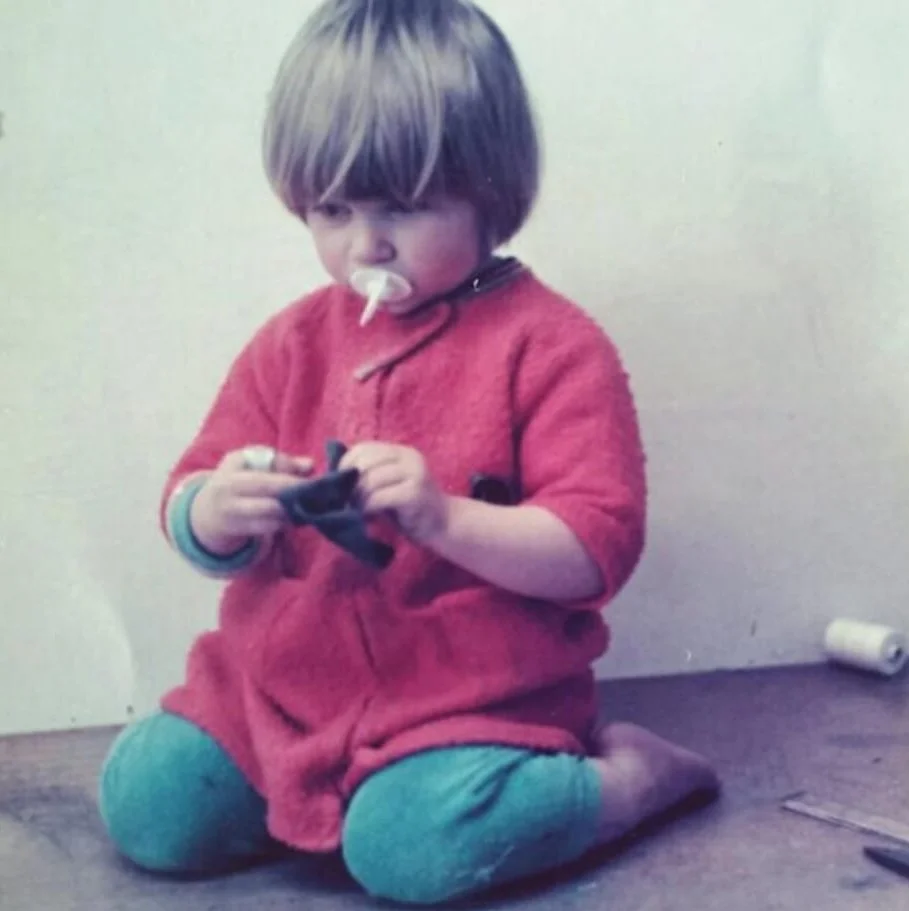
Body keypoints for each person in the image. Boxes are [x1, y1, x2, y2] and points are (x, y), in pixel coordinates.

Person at [97, 0, 719, 903]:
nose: (367, 243)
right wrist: (217, 509)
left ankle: (628, 781)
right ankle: (319, 788)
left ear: (489, 190)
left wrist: (446, 519)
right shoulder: (290, 344)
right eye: (333, 209)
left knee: (409, 849)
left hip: (467, 700)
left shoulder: (554, 348)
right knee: (149, 802)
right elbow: (190, 490)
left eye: (403, 205)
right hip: (281, 688)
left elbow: (596, 548)